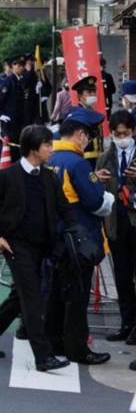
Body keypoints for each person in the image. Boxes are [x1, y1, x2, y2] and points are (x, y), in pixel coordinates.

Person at [0, 125, 74, 372]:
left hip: (43, 245)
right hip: (15, 245)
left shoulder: (48, 176)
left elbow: (63, 208)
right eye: (47, 145)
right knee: (32, 298)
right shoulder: (8, 176)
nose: (51, 149)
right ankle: (43, 356)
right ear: (32, 149)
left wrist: (75, 229)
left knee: (20, 296)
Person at [46, 108, 114, 365]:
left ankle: (54, 340)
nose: (88, 140)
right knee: (77, 295)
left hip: (57, 236)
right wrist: (104, 194)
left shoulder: (50, 157)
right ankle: (77, 348)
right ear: (79, 134)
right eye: (87, 134)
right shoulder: (76, 163)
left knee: (56, 291)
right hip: (79, 238)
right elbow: (95, 202)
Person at [97, 111, 136, 344]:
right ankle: (126, 323)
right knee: (121, 276)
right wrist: (95, 178)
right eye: (117, 134)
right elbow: (93, 185)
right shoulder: (106, 157)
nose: (122, 138)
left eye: (126, 133)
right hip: (115, 223)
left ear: (133, 132)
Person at [0, 55, 28, 163]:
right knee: (6, 144)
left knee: (16, 146)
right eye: (17, 65)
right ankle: (5, 167)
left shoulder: (20, 81)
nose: (20, 67)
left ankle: (14, 166)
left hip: (17, 119)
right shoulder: (8, 81)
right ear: (12, 66)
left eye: (21, 65)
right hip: (8, 118)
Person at [71, 76, 104, 168]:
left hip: (97, 161)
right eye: (89, 92)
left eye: (94, 91)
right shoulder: (77, 116)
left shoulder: (94, 113)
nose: (92, 95)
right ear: (80, 96)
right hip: (83, 161)